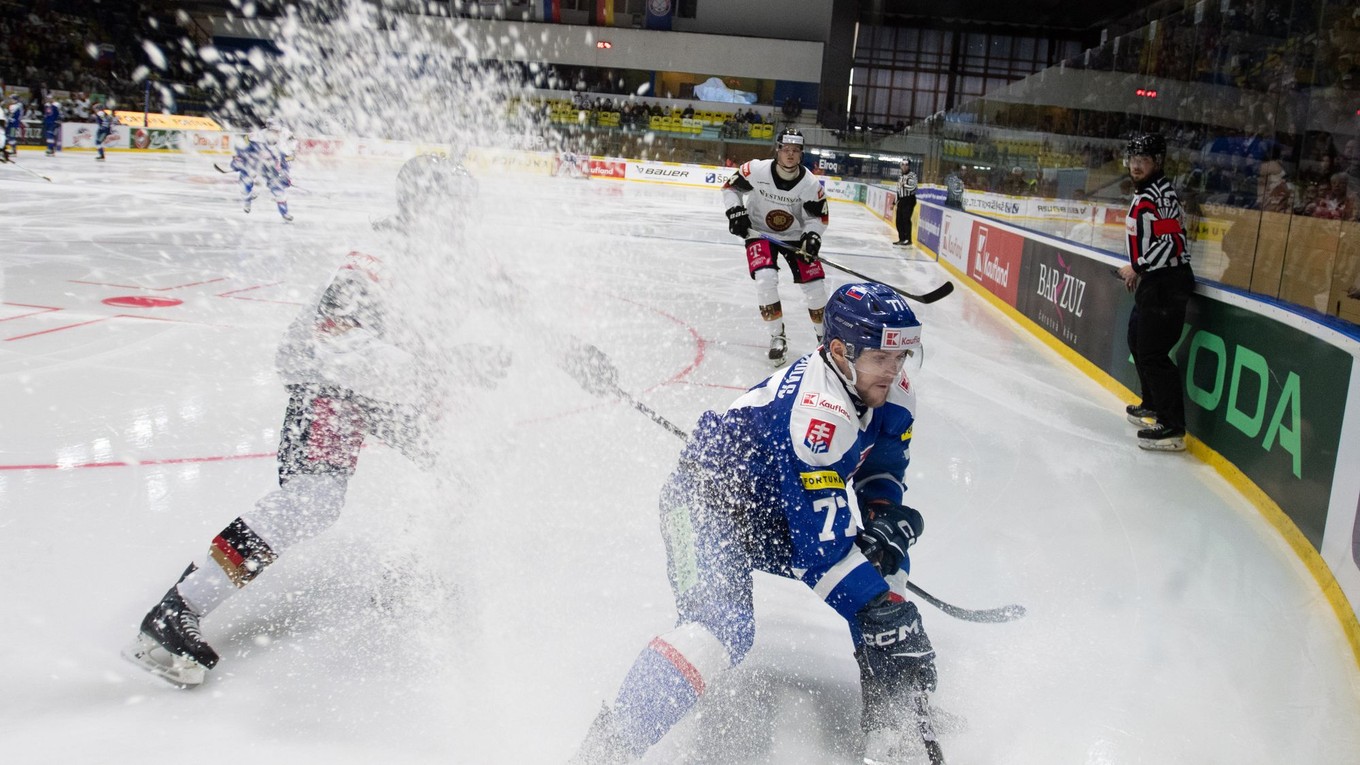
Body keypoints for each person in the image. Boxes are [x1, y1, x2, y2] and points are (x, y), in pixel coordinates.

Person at [124, 154, 621, 687]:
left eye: (463, 212)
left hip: (398, 381)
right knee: (314, 500)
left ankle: (407, 570)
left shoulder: (469, 259)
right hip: (328, 382)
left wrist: (575, 355)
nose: (459, 222)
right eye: (448, 211)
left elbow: (518, 311)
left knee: (475, 455)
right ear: (418, 210)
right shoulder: (374, 262)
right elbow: (338, 348)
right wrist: (449, 365)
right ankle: (176, 612)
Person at [573, 282, 942, 765]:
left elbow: (883, 465)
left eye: (901, 357)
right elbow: (821, 558)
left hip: (773, 514)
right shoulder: (819, 416)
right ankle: (607, 750)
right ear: (839, 351)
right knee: (719, 629)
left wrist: (881, 514)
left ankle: (894, 728)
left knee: (884, 556)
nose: (893, 372)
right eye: (880, 358)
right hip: (705, 506)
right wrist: (882, 612)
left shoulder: (889, 391)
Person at [721, 127, 830, 366]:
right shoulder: (756, 170)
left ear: (801, 154)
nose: (790, 155)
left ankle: (826, 340)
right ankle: (777, 336)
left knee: (815, 288)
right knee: (765, 278)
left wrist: (812, 236)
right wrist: (735, 211)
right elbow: (731, 187)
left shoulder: (811, 185)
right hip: (758, 232)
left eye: (796, 150)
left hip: (795, 237)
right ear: (777, 150)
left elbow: (818, 217)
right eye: (786, 149)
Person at [1118, 133, 1194, 451]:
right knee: (1136, 338)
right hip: (1154, 280)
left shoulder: (1160, 196)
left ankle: (1172, 426)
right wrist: (1142, 269)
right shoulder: (1145, 191)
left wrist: (1138, 266)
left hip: (1167, 283)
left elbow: (1172, 242)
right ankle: (1152, 403)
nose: (1136, 165)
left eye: (1143, 160)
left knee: (1153, 353)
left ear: (1157, 163)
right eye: (1133, 159)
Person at [231, 118, 296, 221]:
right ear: (268, 129)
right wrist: (239, 159)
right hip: (256, 164)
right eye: (274, 131)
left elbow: (290, 157)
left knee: (278, 188)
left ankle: (285, 213)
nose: (276, 133)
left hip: (273, 167)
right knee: (246, 179)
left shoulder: (287, 137)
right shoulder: (256, 137)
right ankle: (247, 198)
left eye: (278, 131)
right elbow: (241, 147)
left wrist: (285, 173)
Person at [894, 159, 918, 246]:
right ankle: (902, 239)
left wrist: (904, 185)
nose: (904, 166)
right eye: (902, 164)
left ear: (909, 166)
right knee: (898, 221)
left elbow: (913, 188)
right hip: (902, 200)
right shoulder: (900, 177)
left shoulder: (912, 175)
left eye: (906, 165)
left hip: (909, 199)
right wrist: (894, 202)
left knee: (906, 219)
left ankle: (908, 239)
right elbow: (898, 190)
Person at [2, 93, 22, 163]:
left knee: (12, 137)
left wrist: (5, 108)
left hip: (13, 124)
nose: (10, 100)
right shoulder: (14, 105)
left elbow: (10, 113)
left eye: (12, 99)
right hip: (9, 124)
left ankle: (14, 150)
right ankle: (8, 149)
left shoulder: (17, 106)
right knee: (6, 136)